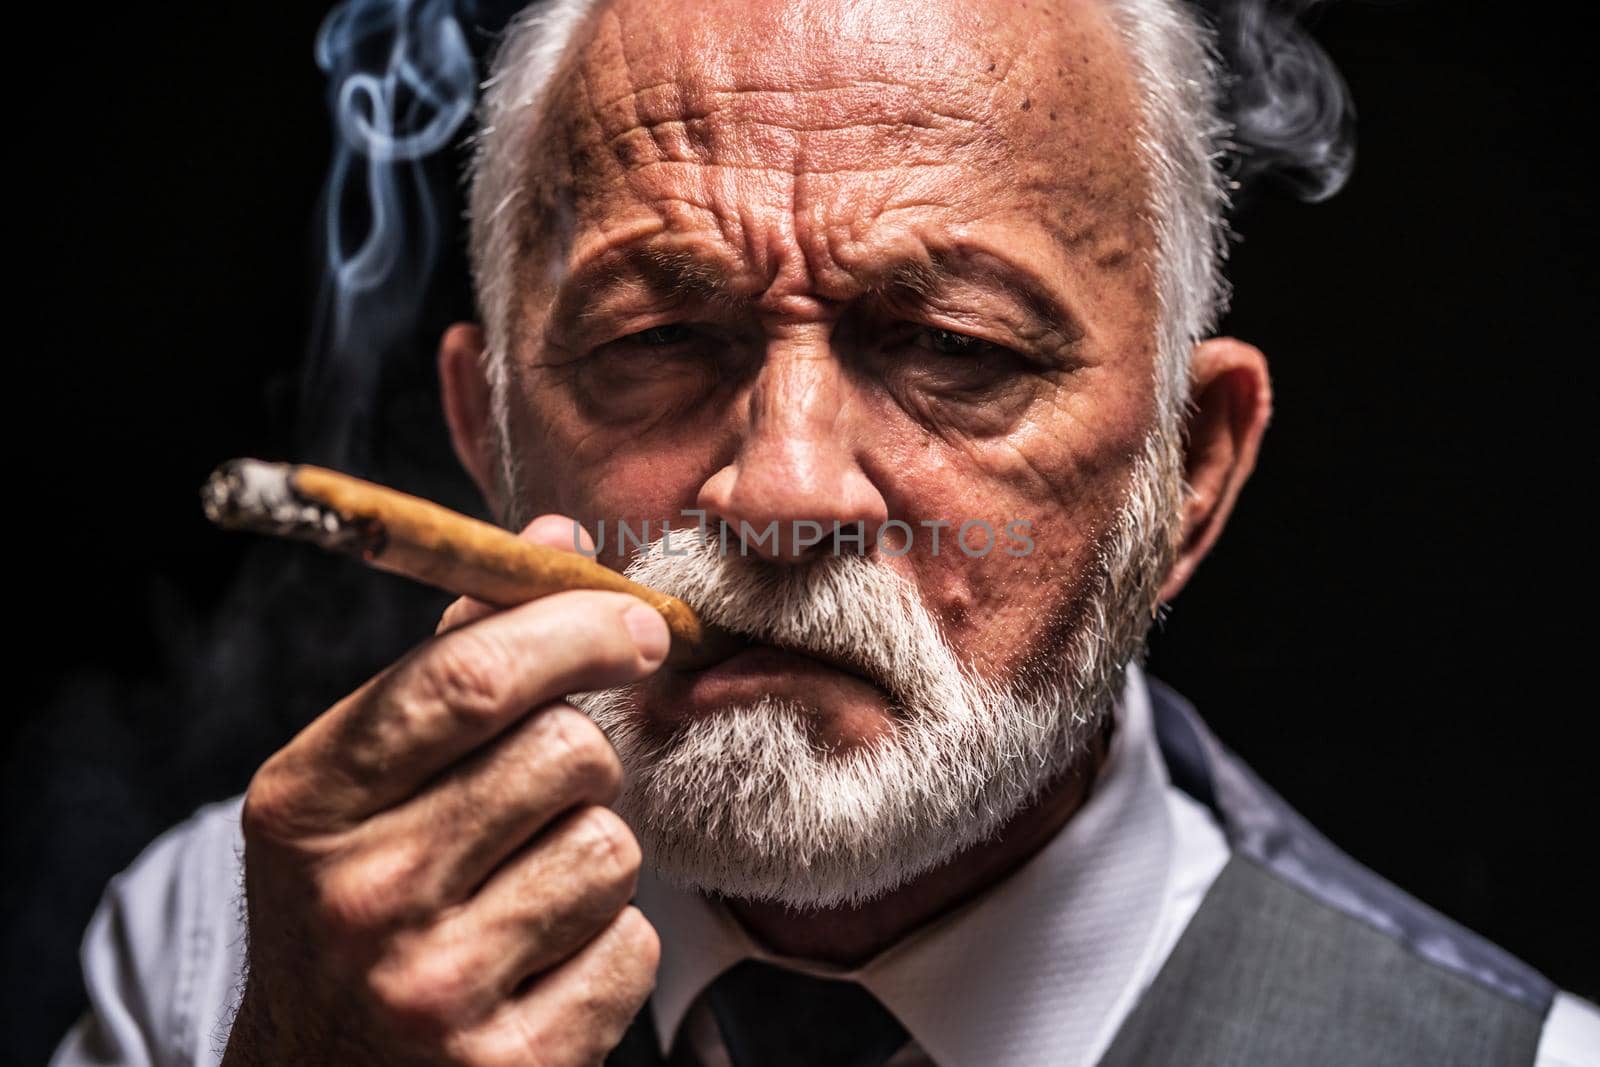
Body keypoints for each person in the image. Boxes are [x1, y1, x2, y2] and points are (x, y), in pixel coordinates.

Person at [52, 0, 1599, 1064]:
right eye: (657, 337)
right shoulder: (234, 952)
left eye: (955, 350)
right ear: (484, 432)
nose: (785, 494)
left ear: (1190, 473)